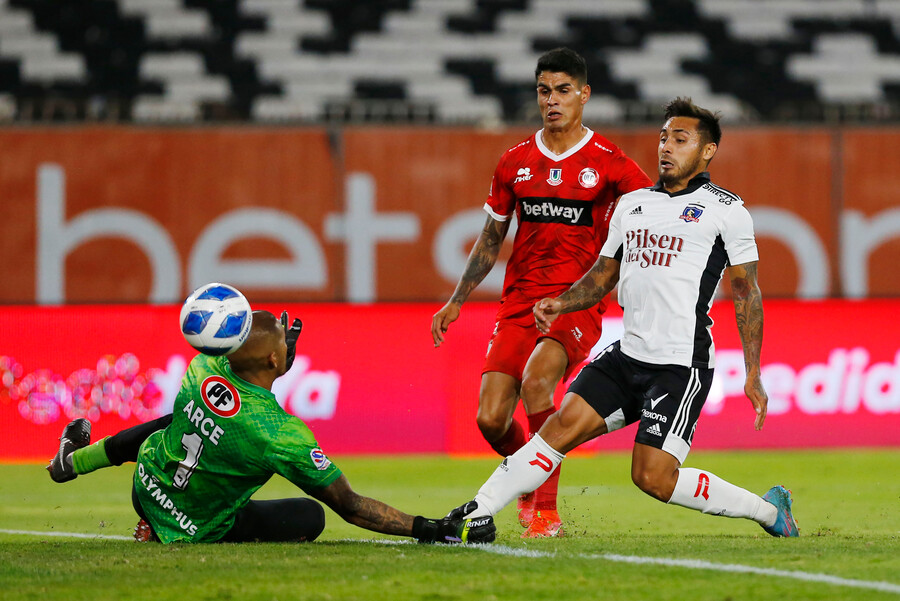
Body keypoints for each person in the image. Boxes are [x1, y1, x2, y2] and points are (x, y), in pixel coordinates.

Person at [448, 97, 799, 538]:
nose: (666, 147)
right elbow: (603, 275)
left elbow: (747, 293)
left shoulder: (727, 210)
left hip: (679, 365)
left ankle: (770, 511)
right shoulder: (634, 205)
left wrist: (753, 372)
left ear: (707, 150)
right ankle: (475, 509)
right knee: (555, 433)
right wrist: (562, 302)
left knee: (651, 477)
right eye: (663, 137)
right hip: (626, 356)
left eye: (680, 139)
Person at [431, 48, 652, 537]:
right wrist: (457, 299)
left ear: (584, 95)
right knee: (490, 419)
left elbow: (653, 220)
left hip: (576, 302)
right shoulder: (515, 161)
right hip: (519, 304)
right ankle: (528, 478)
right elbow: (491, 240)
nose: (552, 100)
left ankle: (545, 516)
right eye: (544, 91)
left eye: (563, 90)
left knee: (536, 382)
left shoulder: (611, 164)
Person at [48, 310, 495, 545]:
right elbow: (352, 507)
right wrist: (432, 527)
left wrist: (277, 349)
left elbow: (251, 363)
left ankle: (74, 462)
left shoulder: (202, 367)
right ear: (275, 362)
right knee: (313, 515)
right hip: (196, 526)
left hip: (145, 490)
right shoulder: (280, 434)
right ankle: (169, 528)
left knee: (173, 420)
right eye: (284, 344)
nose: (288, 345)